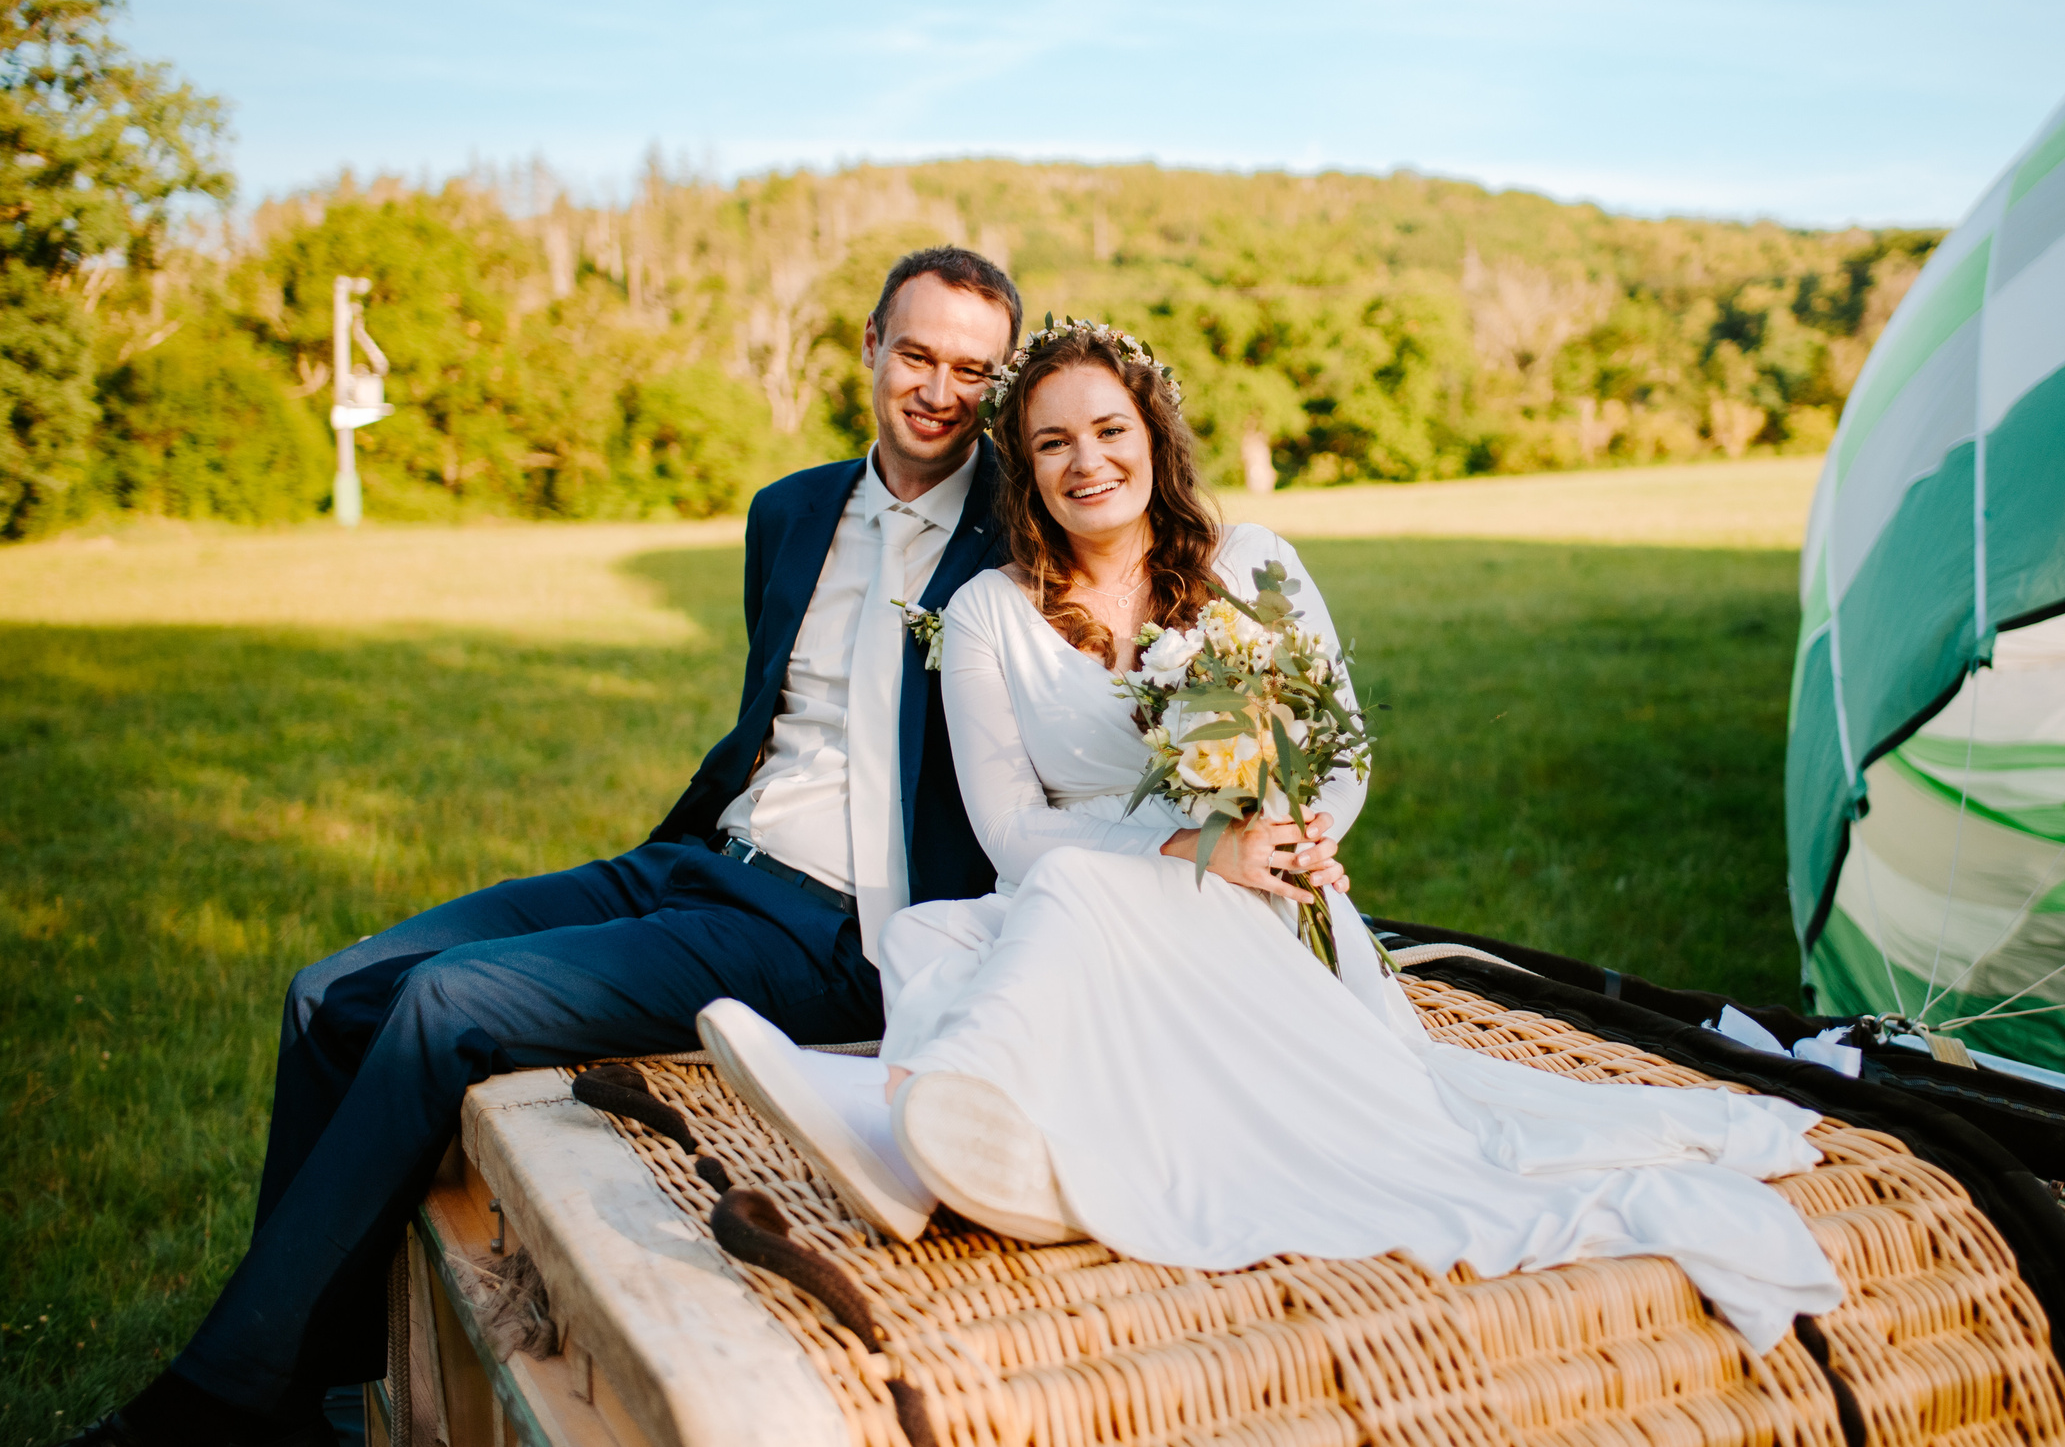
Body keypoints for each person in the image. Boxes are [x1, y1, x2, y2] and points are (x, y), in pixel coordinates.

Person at [700, 320, 1846, 1356]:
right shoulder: (989, 610)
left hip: (1260, 904)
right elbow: (1011, 832)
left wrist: (1288, 835)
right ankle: (974, 1145)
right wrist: (1182, 852)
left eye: (1108, 428)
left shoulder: (1250, 567)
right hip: (1091, 887)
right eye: (1051, 443)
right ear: (1021, 466)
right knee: (1001, 919)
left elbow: (1340, 752)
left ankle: (908, 1116)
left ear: (1152, 433)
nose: (1086, 460)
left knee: (1042, 924)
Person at [72, 248, 1024, 1447]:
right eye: (920, 354)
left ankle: (215, 1405)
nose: (940, 388)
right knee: (329, 993)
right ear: (873, 347)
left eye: (973, 370)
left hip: (840, 927)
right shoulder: (789, 509)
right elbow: (769, 722)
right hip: (700, 859)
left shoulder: (1018, 529)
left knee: (442, 1004)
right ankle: (317, 1382)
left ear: (998, 384)